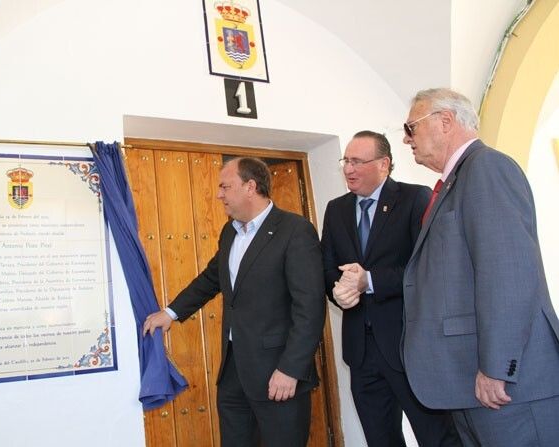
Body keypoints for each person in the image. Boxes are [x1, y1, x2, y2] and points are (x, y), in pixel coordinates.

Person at [401, 88, 559, 445]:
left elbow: (509, 273)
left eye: (412, 127)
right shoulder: (458, 180)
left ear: (445, 121)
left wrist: (496, 367)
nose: (407, 138)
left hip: (508, 388)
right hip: (471, 382)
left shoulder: (486, 167)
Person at [143, 157, 326, 447]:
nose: (219, 194)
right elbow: (210, 279)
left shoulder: (295, 230)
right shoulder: (230, 232)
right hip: (233, 374)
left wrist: (291, 369)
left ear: (250, 187)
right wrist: (171, 312)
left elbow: (310, 308)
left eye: (225, 187)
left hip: (278, 374)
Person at [321, 130, 459, 446]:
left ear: (384, 164)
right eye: (346, 161)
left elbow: (426, 268)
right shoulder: (336, 209)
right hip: (361, 353)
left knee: (437, 437)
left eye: (358, 161)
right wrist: (339, 292)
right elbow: (328, 268)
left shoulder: (414, 198)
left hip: (409, 347)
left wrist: (369, 281)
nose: (348, 169)